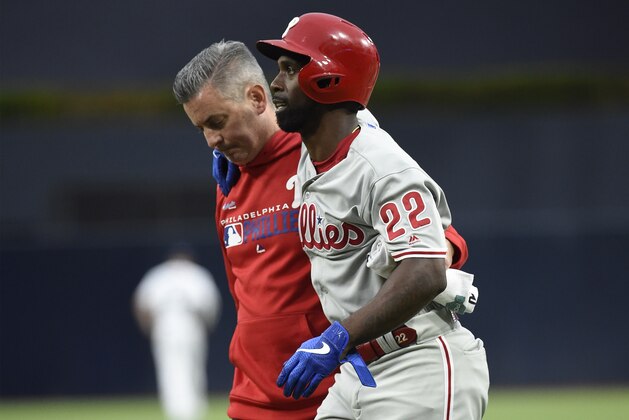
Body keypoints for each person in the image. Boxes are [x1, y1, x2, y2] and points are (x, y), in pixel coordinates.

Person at [173, 40, 470, 420]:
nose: (212, 141)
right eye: (201, 128)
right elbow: (243, 295)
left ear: (257, 98)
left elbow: (439, 243)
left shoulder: (327, 152)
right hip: (253, 396)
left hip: (332, 386)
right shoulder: (229, 182)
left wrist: (421, 267)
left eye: (217, 122)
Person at [256, 12, 489, 420]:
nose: (275, 83)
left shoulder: (383, 168)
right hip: (358, 373)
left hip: (419, 366)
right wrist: (240, 158)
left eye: (290, 70)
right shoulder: (317, 148)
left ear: (326, 80)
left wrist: (338, 336)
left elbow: (425, 272)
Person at [133, 243, 222, 420]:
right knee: (194, 370)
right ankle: (194, 411)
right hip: (191, 326)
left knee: (170, 371)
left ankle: (176, 412)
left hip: (165, 327)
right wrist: (207, 327)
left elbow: (141, 306)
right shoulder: (198, 274)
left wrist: (149, 329)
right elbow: (211, 307)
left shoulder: (158, 275)